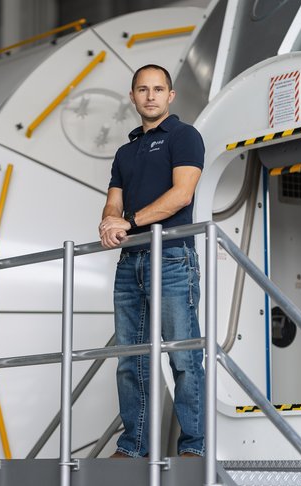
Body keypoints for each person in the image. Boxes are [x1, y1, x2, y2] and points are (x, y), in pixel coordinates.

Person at [99, 64, 205, 458]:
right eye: (142, 90)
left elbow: (182, 195)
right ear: (132, 97)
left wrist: (127, 221)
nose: (150, 96)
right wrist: (109, 221)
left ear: (170, 95)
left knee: (183, 356)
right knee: (130, 361)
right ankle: (133, 446)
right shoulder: (125, 151)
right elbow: (114, 198)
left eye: (158, 89)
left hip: (173, 258)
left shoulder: (184, 136)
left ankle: (195, 446)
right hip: (131, 263)